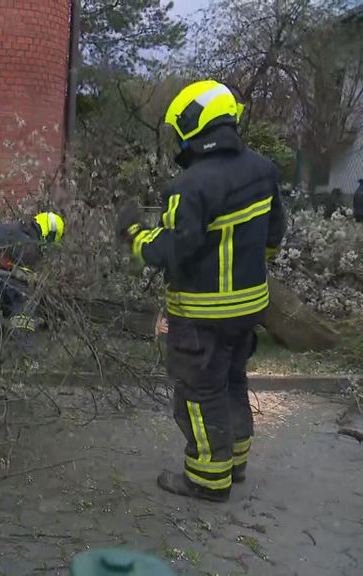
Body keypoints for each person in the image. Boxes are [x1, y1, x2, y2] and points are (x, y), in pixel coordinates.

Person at [116, 80, 286, 502]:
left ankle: (207, 479)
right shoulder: (263, 170)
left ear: (193, 126)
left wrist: (135, 235)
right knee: (231, 382)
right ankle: (235, 462)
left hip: (202, 316)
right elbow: (275, 233)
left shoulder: (189, 187)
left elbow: (173, 251)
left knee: (197, 393)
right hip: (248, 312)